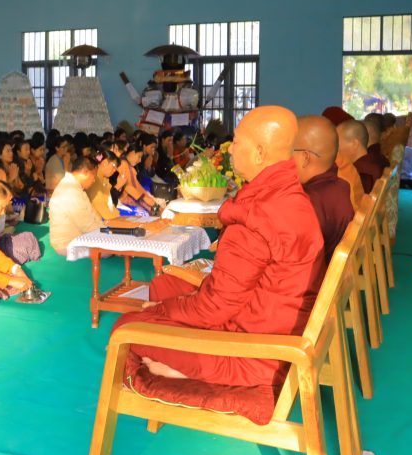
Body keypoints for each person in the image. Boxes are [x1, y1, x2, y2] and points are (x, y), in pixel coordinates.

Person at [112, 106, 325, 388]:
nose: (231, 149)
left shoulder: (256, 216)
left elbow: (214, 309)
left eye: (236, 141)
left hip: (254, 352)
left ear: (260, 153)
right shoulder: (291, 197)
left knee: (126, 327)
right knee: (166, 292)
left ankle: (189, 372)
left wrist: (162, 310)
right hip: (275, 329)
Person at [293, 116, 355, 264]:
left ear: (305, 158)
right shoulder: (341, 186)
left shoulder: (307, 203)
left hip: (317, 275)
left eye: (288, 150)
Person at [48, 157, 105, 256]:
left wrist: (105, 229)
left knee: (112, 243)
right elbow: (86, 225)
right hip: (67, 244)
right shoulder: (70, 190)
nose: (94, 180)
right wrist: (108, 235)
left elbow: (93, 214)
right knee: (108, 250)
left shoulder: (75, 187)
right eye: (93, 176)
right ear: (85, 172)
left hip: (78, 238)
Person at [338, 120, 383, 194]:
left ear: (354, 144)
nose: (334, 148)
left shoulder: (361, 174)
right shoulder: (377, 160)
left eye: (337, 143)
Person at [87, 150, 121, 220]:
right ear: (105, 163)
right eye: (114, 166)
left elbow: (109, 204)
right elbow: (100, 206)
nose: (115, 170)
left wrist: (119, 217)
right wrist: (118, 220)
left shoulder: (104, 180)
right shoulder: (94, 179)